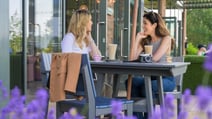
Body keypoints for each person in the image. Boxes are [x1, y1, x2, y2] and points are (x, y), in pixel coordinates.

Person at [126, 11, 175, 119]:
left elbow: (155, 58)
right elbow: (132, 59)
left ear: (154, 25)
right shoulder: (145, 40)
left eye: (145, 23)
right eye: (142, 23)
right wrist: (137, 39)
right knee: (131, 82)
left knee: (146, 87)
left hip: (166, 79)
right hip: (150, 78)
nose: (143, 26)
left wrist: (142, 57)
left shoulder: (166, 38)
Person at [61, 9, 101, 99]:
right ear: (83, 23)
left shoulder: (85, 41)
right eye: (90, 20)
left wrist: (90, 40)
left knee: (106, 87)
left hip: (85, 80)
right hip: (75, 83)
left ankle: (97, 111)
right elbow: (66, 62)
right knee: (104, 88)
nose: (92, 23)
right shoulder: (69, 38)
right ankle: (93, 110)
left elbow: (98, 59)